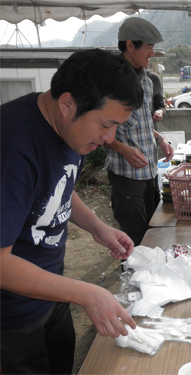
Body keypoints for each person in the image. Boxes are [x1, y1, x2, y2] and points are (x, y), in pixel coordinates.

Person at [0, 48, 142, 374]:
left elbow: (56, 186)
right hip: (12, 317)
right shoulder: (12, 148)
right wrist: (87, 293)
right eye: (107, 124)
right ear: (67, 104)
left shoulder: (69, 130)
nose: (110, 138)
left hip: (52, 291)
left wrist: (96, 226)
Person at [105, 17, 174, 246]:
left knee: (152, 232)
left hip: (149, 173)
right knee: (133, 240)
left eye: (153, 48)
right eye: (148, 48)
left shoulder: (146, 78)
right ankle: (132, 279)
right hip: (126, 176)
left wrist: (160, 139)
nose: (151, 54)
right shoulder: (111, 81)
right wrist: (122, 149)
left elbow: (144, 123)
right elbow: (96, 130)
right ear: (129, 45)